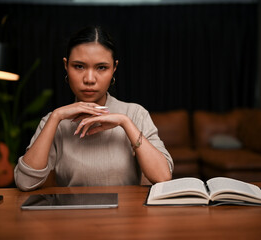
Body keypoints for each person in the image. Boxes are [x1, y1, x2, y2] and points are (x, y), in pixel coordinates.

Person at [14, 26, 173, 191]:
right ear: (66, 65)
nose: (89, 79)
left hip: (125, 214)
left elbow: (162, 176)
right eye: (79, 66)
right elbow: (25, 182)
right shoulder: (54, 121)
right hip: (71, 214)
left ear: (114, 68)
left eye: (101, 67)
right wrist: (56, 116)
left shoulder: (135, 114)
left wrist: (125, 122)